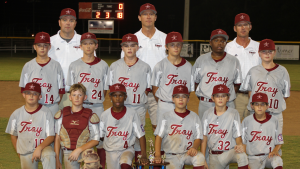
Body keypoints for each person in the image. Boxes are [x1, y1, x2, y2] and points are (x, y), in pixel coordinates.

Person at [121, 3, 167, 131]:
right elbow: (124, 67)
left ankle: (159, 151)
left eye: (151, 14)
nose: (148, 16)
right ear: (139, 17)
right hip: (136, 89)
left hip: (159, 90)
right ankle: (136, 152)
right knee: (134, 126)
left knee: (159, 127)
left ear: (155, 17)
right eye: (145, 14)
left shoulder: (164, 38)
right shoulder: (132, 40)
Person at [106, 33, 151, 163]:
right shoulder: (114, 66)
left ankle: (138, 164)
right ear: (122, 48)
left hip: (138, 108)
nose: (129, 48)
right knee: (120, 137)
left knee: (138, 138)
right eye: (126, 45)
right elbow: (111, 88)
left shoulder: (145, 67)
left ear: (137, 47)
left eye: (132, 45)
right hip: (120, 108)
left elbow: (147, 89)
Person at [67, 32, 109, 168]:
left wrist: (97, 98)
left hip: (97, 106)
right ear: (80, 46)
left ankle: (101, 165)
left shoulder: (103, 65)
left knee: (100, 138)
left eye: (91, 43)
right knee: (80, 137)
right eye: (85, 43)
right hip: (80, 107)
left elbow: (105, 87)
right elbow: (72, 88)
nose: (88, 46)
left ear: (96, 45)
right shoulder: (74, 65)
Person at [192, 29, 242, 119]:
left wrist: (227, 98)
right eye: (216, 40)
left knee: (227, 130)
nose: (219, 43)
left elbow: (237, 84)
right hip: (206, 104)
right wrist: (204, 98)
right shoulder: (201, 60)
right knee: (205, 131)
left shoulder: (234, 61)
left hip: (228, 103)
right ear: (210, 43)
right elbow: (195, 82)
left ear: (226, 43)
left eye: (222, 41)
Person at [240, 39, 290, 129]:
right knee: (255, 140)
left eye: (270, 51)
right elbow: (250, 92)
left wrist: (274, 105)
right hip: (255, 114)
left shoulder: (283, 71)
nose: (267, 54)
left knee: (275, 142)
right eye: (264, 51)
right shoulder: (253, 71)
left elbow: (285, 95)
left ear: (275, 52)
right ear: (259, 53)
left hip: (275, 115)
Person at [5, 82, 56, 169]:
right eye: (28, 93)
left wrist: (39, 148)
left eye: (35, 93)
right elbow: (13, 136)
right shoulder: (16, 114)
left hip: (44, 148)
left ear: (40, 96)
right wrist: (19, 152)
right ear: (23, 95)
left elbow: (51, 136)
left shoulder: (46, 112)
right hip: (25, 150)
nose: (31, 96)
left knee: (49, 154)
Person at [154, 85, 205, 169]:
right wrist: (158, 155)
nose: (181, 99)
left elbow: (198, 137)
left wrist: (194, 147)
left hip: (187, 154)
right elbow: (159, 136)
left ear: (188, 99)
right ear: (173, 99)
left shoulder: (194, 117)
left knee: (199, 157)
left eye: (184, 96)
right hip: (171, 155)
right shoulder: (165, 116)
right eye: (177, 97)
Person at [99, 83, 148, 169]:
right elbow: (101, 136)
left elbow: (141, 136)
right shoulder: (104, 115)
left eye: (120, 95)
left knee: (125, 165)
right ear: (110, 97)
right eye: (114, 95)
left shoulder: (132, 114)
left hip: (127, 149)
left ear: (125, 97)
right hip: (111, 151)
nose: (117, 98)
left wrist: (143, 155)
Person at [200, 84, 249, 169]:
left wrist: (239, 145)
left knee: (242, 155)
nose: (220, 98)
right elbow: (204, 137)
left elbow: (238, 135)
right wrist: (203, 158)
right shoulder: (207, 114)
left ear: (228, 98)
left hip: (228, 154)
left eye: (223, 96)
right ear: (212, 98)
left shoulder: (234, 113)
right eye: (217, 96)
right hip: (213, 155)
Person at [151, 31, 193, 125]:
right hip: (164, 105)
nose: (176, 47)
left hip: (181, 106)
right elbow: (155, 89)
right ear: (166, 46)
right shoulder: (159, 66)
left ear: (182, 45)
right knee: (162, 135)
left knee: (180, 134)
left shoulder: (188, 66)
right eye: (172, 44)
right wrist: (163, 102)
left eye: (178, 44)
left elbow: (188, 90)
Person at [54, 83, 100, 169]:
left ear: (85, 97)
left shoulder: (90, 115)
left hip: (85, 150)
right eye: (74, 95)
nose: (77, 98)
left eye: (80, 95)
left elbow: (96, 140)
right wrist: (57, 159)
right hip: (68, 152)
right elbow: (57, 138)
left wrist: (78, 150)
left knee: (92, 160)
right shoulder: (62, 114)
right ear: (70, 97)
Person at [225, 13, 261, 121]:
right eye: (240, 25)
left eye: (246, 24)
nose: (243, 27)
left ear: (250, 26)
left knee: (254, 128)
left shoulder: (258, 47)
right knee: (234, 128)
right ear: (235, 28)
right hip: (236, 95)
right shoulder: (228, 47)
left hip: (255, 94)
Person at [19, 32, 65, 116]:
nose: (42, 48)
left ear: (49, 47)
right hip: (34, 106)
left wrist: (55, 104)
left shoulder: (56, 65)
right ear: (34, 47)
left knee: (52, 129)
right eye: (39, 45)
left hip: (52, 106)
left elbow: (61, 89)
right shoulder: (28, 66)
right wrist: (31, 104)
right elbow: (23, 89)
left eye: (45, 45)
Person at [48, 8, 85, 110]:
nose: (68, 23)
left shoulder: (84, 41)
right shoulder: (50, 42)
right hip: (55, 93)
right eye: (65, 20)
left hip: (79, 95)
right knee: (54, 124)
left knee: (78, 125)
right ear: (59, 22)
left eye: (71, 20)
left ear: (75, 23)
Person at [242, 92, 283, 169]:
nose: (259, 107)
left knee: (277, 159)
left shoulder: (274, 120)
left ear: (267, 106)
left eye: (262, 104)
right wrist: (245, 161)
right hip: (253, 157)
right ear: (252, 106)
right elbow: (243, 143)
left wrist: (275, 150)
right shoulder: (246, 121)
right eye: (256, 104)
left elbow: (279, 141)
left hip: (269, 156)